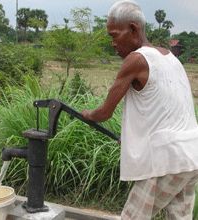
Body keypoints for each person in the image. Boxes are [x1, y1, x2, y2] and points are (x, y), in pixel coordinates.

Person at [81, 0, 198, 219]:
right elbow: (162, 110)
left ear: (133, 29)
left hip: (166, 159)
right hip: (191, 155)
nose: (113, 44)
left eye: (115, 35)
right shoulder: (171, 58)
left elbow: (104, 113)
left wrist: (88, 114)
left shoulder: (136, 59)